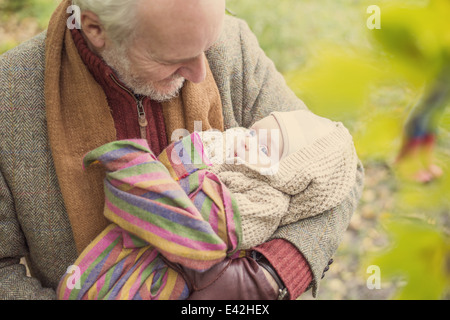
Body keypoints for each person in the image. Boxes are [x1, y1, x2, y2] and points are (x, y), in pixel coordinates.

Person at [0, 0, 364, 300]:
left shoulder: (233, 45)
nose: (202, 73)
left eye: (206, 48)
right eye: (173, 57)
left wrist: (271, 273)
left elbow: (337, 163)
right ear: (95, 29)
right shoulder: (10, 96)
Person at [56, 109, 358, 300]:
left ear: (289, 173)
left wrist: (149, 176)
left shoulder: (266, 201)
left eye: (263, 147)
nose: (245, 141)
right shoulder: (230, 150)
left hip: (165, 271)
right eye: (252, 132)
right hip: (135, 246)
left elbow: (206, 227)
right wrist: (200, 152)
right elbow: (176, 160)